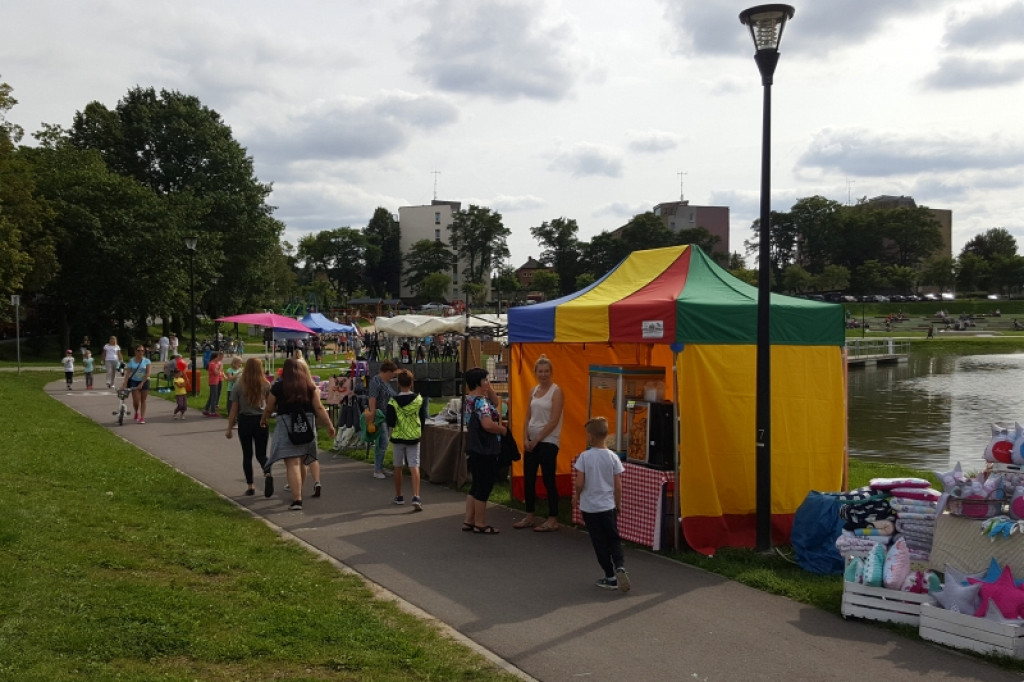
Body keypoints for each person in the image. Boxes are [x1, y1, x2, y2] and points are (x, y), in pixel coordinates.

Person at [261, 358, 336, 510]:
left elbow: (269, 407)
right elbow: (319, 408)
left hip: (286, 426)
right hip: (306, 425)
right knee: (303, 460)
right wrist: (329, 425)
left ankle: (297, 499)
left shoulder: (278, 387)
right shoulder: (310, 387)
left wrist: (264, 419)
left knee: (292, 463)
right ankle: (299, 491)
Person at [573, 417, 630, 593]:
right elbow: (618, 485)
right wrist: (618, 504)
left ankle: (610, 576)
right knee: (613, 539)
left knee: (599, 542)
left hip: (590, 507)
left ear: (590, 436)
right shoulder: (613, 457)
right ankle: (620, 566)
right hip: (608, 506)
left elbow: (580, 482)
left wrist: (577, 496)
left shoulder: (585, 456)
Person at [514, 354, 564, 532]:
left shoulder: (556, 391)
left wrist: (537, 439)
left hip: (548, 440)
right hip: (532, 439)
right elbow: (528, 416)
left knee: (549, 478)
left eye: (546, 371)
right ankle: (529, 515)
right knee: (529, 477)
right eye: (540, 371)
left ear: (551, 372)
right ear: (535, 373)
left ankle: (553, 518)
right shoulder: (533, 391)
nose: (543, 374)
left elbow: (554, 419)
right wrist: (525, 438)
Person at [462, 367, 508, 534]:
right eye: (486, 380)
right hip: (485, 449)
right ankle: (480, 523)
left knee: (475, 484)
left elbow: (496, 402)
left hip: (474, 448)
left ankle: (469, 520)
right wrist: (502, 430)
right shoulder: (481, 402)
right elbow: (487, 424)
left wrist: (488, 387)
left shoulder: (469, 399)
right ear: (478, 382)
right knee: (484, 486)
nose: (488, 382)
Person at [226, 358, 272, 496]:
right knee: (261, 454)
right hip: (261, 420)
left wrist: (229, 427)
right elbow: (270, 405)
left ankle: (250, 485)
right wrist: (267, 417)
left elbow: (234, 408)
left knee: (247, 455)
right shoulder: (265, 384)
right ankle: (267, 471)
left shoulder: (239, 385)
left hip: (245, 420)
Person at [386, 369, 429, 509]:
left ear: (398, 384)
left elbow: (390, 421)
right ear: (412, 383)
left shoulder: (393, 402)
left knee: (398, 467)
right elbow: (423, 418)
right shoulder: (419, 400)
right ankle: (416, 496)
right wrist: (419, 430)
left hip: (398, 437)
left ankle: (399, 496)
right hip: (414, 436)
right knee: (414, 466)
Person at [366, 360, 398, 479]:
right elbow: (372, 398)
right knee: (382, 442)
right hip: (379, 416)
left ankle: (380, 467)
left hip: (386, 416)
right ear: (387, 372)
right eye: (392, 373)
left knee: (383, 441)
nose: (393, 376)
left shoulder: (386, 382)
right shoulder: (376, 381)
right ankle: (377, 469)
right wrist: (373, 413)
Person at [122, 344, 152, 423]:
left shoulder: (147, 361)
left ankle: (142, 417)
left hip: (144, 381)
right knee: (136, 400)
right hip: (134, 381)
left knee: (143, 399)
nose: (140, 352)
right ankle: (136, 411)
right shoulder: (132, 361)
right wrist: (125, 383)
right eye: (138, 350)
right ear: (135, 351)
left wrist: (142, 383)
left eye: (142, 351)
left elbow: (148, 373)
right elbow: (128, 373)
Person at [203, 351, 225, 417]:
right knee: (214, 396)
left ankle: (206, 410)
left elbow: (219, 373)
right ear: (215, 357)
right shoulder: (212, 364)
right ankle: (212, 411)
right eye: (218, 356)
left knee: (212, 396)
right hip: (213, 381)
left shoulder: (215, 363)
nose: (219, 358)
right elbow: (216, 373)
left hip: (216, 381)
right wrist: (220, 368)